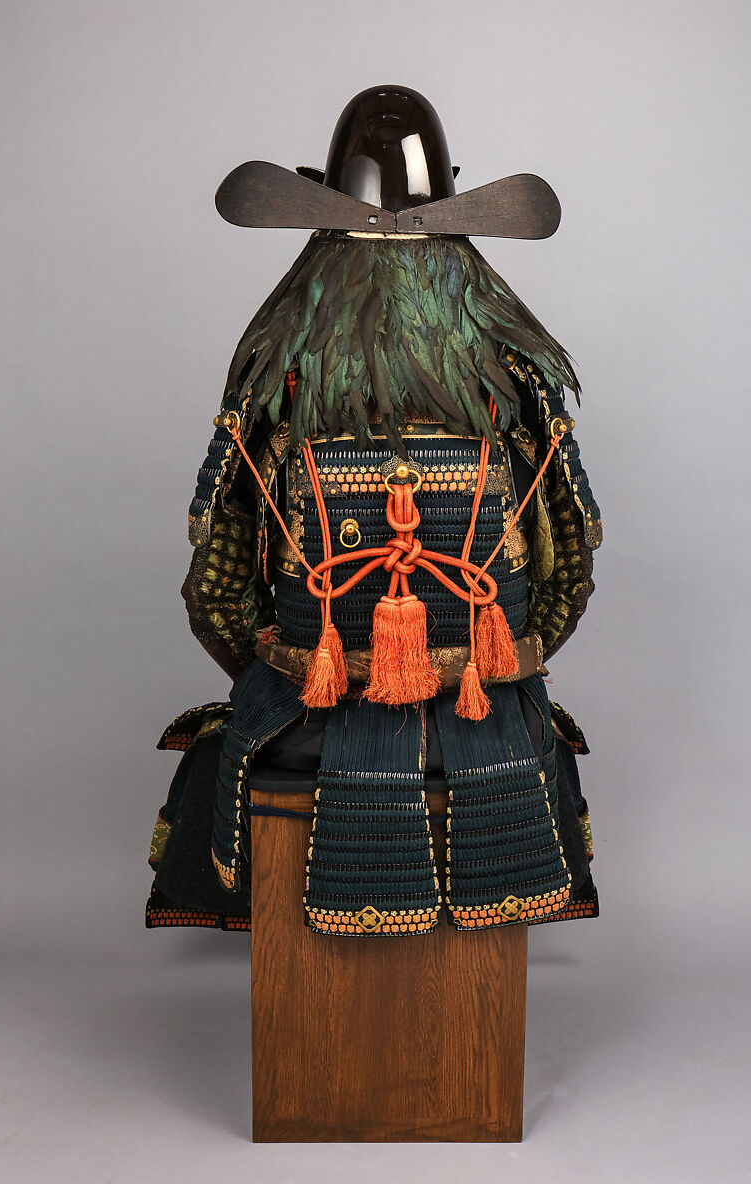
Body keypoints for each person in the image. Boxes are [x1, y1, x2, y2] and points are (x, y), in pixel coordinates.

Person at [146, 85, 601, 937]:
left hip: (301, 721)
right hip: (488, 714)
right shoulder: (519, 372)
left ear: (322, 193)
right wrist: (487, 666)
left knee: (226, 741)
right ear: (454, 195)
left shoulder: (276, 374)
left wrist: (287, 666)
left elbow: (216, 591)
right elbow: (566, 572)